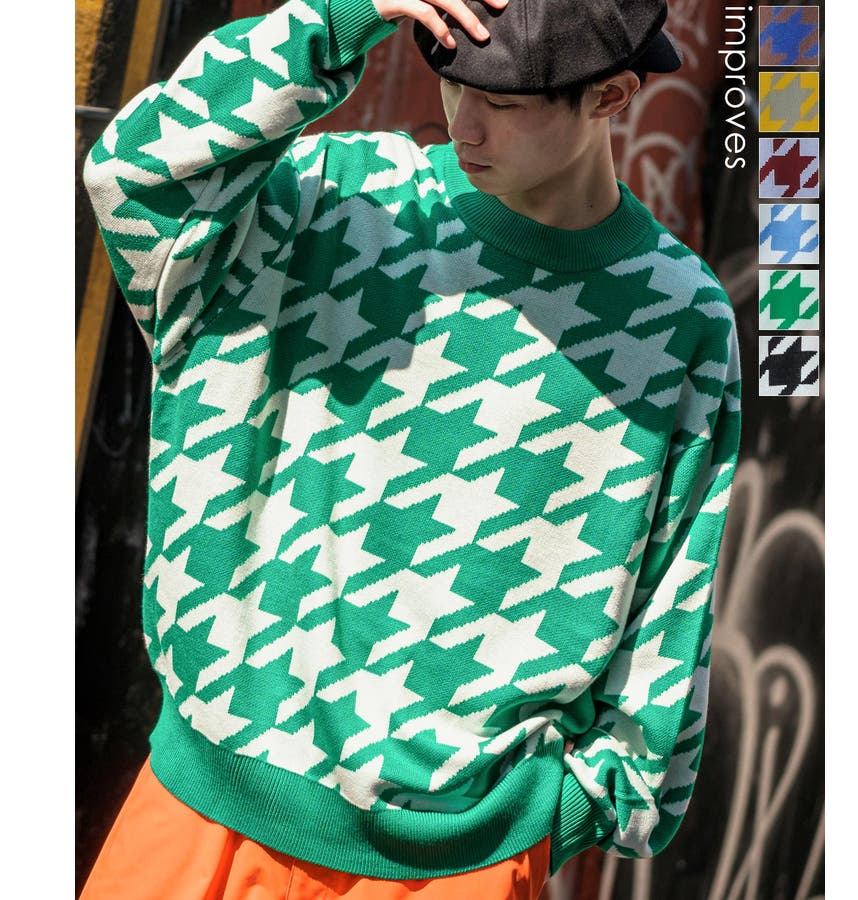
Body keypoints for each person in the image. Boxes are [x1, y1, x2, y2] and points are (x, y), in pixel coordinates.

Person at [80, 0, 741, 896]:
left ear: (611, 96)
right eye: (453, 82)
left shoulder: (678, 317)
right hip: (202, 812)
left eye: (503, 103)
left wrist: (561, 812)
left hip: (457, 863)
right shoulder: (341, 198)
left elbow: (673, 593)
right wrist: (332, 21)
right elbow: (134, 175)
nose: (464, 125)